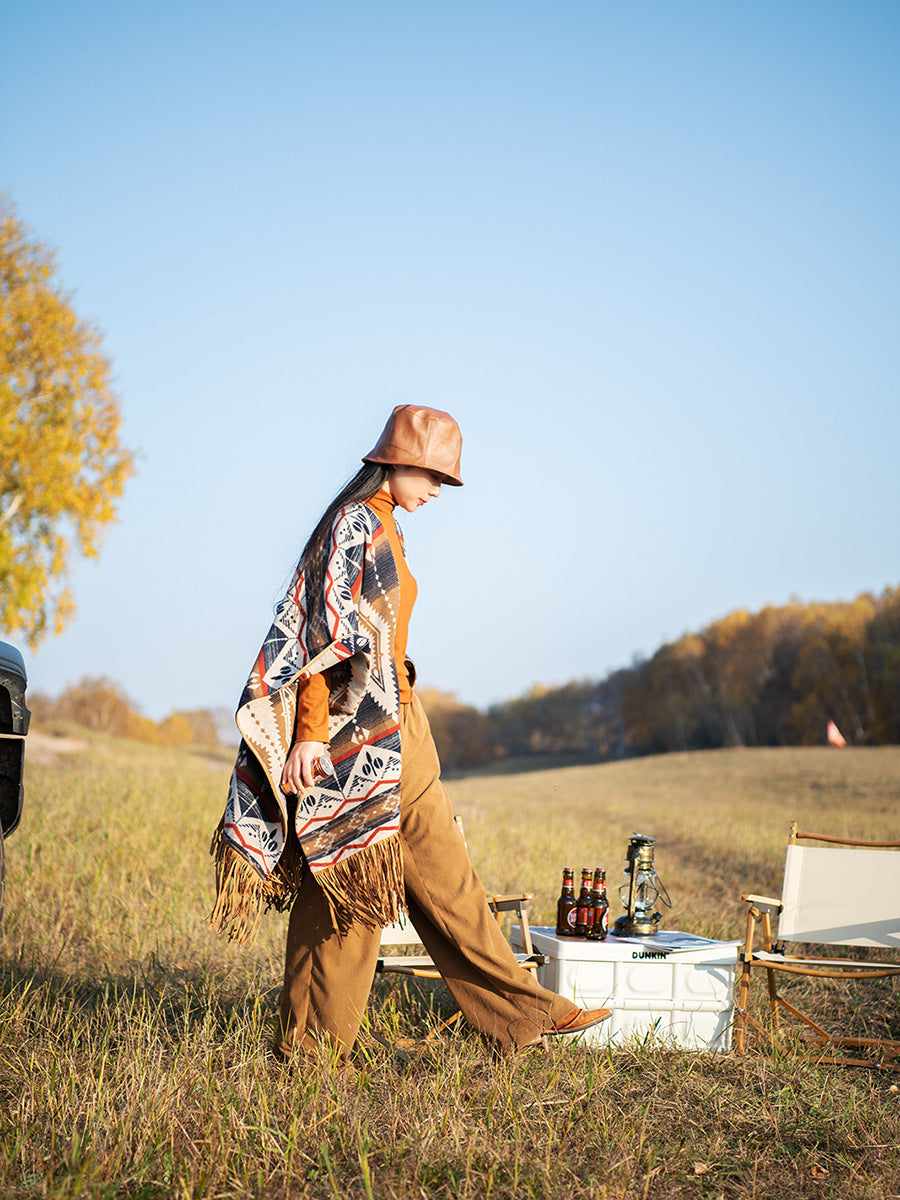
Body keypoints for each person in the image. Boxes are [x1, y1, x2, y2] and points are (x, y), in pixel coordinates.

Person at [210, 405, 610, 1062]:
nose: (435, 490)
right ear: (393, 458)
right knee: (348, 895)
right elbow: (322, 638)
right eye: (430, 474)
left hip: (400, 731)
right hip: (345, 737)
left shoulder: (387, 526)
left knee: (449, 880)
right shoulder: (351, 525)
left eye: (443, 480)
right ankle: (308, 1058)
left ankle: (524, 1014)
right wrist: (309, 734)